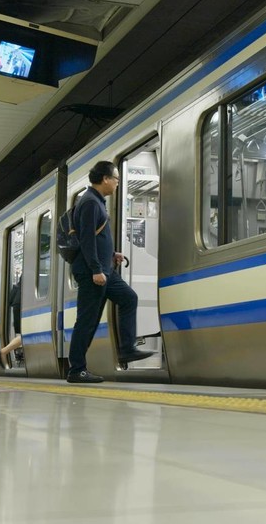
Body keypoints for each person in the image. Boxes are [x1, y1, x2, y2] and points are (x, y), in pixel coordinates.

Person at [68, 161, 154, 384]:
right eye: (116, 179)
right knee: (87, 321)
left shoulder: (96, 201)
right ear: (105, 179)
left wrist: (111, 254)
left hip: (105, 269)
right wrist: (96, 269)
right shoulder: (90, 203)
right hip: (92, 273)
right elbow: (86, 240)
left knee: (128, 298)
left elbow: (95, 238)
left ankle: (126, 349)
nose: (117, 183)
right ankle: (76, 370)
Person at [0, 276, 24, 369]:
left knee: (22, 336)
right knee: (24, 336)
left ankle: (3, 351)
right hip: (22, 307)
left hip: (17, 307)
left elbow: (10, 301)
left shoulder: (18, 286)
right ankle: (3, 351)